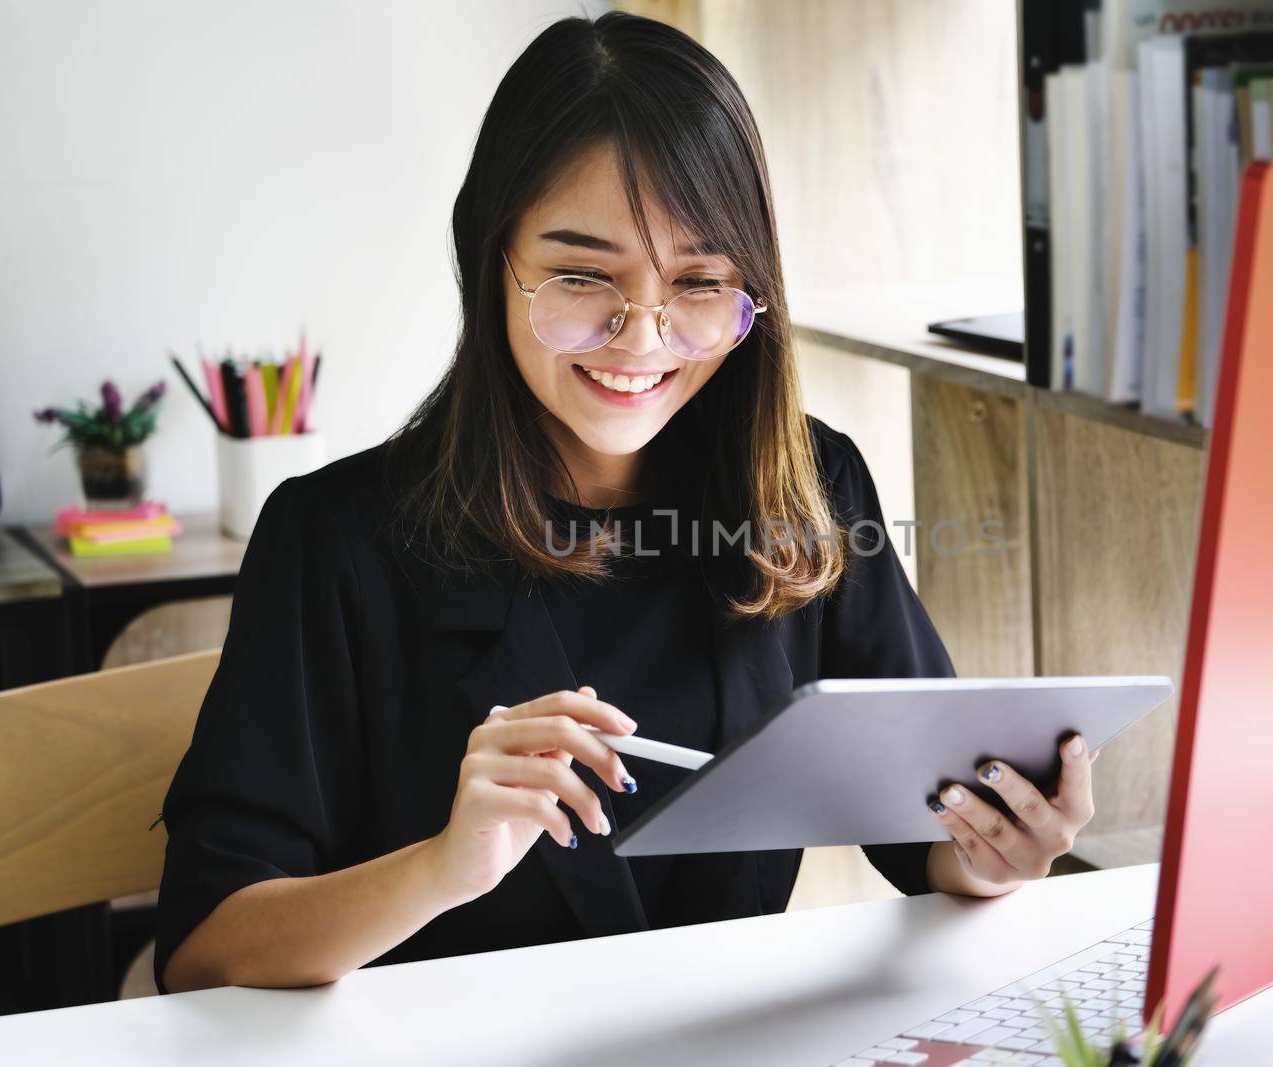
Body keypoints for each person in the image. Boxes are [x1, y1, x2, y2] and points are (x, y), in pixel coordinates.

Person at [155, 10, 1095, 995]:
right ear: (493, 259)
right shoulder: (334, 540)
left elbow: (924, 832)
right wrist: (444, 864)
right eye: (579, 275)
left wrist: (996, 849)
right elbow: (206, 951)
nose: (641, 339)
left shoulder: (813, 493)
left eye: (697, 283)